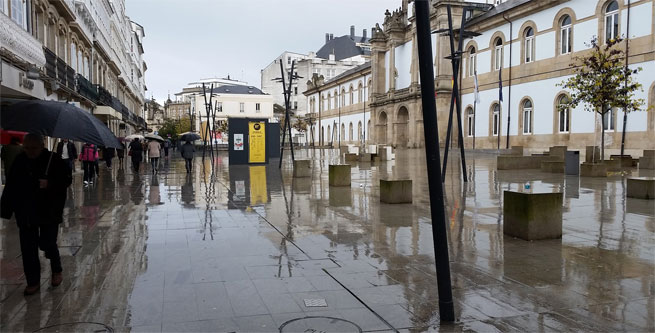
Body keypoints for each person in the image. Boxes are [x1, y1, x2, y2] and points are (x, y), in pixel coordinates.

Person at [1, 133, 72, 295]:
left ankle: (56, 269)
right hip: (26, 210)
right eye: (26, 148)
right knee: (28, 247)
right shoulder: (20, 160)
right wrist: (6, 209)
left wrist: (49, 184)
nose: (29, 151)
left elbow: (66, 181)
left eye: (33, 148)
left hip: (49, 210)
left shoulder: (53, 160)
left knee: (48, 243)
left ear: (41, 146)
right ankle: (32, 281)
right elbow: (12, 184)